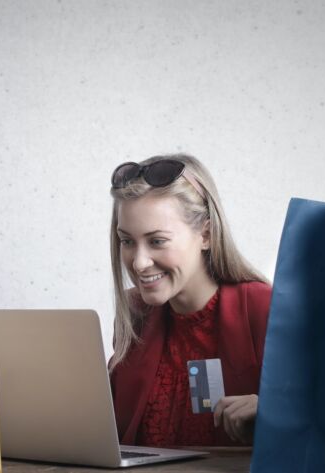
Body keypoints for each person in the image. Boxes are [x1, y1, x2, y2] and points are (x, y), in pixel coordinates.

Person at [107, 154, 271, 447]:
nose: (140, 263)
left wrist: (275, 413)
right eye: (127, 241)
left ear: (206, 234)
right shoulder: (135, 314)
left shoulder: (263, 309)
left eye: (157, 241)